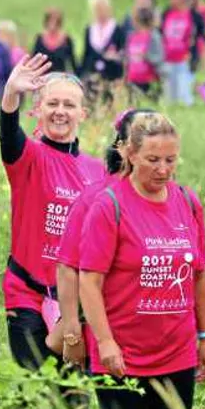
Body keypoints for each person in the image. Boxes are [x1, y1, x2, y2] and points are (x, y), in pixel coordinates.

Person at [78, 111, 205, 409]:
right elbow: (89, 280)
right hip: (122, 356)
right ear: (130, 154)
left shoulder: (187, 202)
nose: (163, 169)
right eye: (153, 159)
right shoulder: (109, 205)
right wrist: (105, 342)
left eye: (171, 159)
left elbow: (200, 276)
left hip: (177, 352)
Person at [0, 54, 105, 369]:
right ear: (37, 110)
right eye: (52, 103)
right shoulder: (29, 156)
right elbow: (8, 135)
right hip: (26, 294)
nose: (60, 111)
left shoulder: (98, 172)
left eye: (69, 105)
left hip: (76, 302)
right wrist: (10, 94)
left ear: (82, 113)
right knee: (36, 386)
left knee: (74, 393)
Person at [51, 108, 152, 362]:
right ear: (122, 147)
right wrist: (72, 334)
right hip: (101, 328)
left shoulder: (174, 200)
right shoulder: (95, 198)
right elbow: (67, 267)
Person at [160, 0, 205, 106]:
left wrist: (203, 60)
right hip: (168, 60)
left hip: (186, 61)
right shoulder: (167, 14)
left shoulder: (194, 17)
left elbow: (204, 38)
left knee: (185, 96)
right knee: (169, 97)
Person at [79, 0, 125, 106]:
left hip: (112, 74)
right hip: (92, 74)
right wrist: (81, 74)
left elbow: (122, 51)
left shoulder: (117, 29)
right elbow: (86, 54)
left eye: (102, 8)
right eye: (97, 9)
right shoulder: (90, 29)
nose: (100, 12)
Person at [124, 7, 165, 101]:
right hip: (133, 81)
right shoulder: (131, 36)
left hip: (149, 81)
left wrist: (147, 56)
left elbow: (160, 57)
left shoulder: (154, 36)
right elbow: (127, 56)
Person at [31, 8, 76, 74]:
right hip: (43, 76)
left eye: (56, 22)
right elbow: (33, 60)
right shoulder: (40, 39)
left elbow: (73, 62)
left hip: (60, 76)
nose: (53, 25)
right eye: (50, 21)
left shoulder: (66, 40)